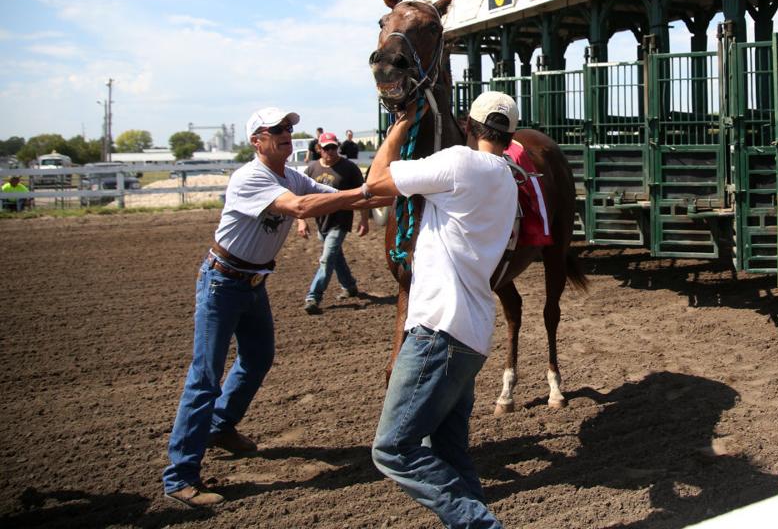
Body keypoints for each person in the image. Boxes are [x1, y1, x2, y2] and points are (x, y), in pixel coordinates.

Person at [162, 108, 390, 510]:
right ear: (257, 141)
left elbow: (325, 196)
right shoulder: (251, 177)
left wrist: (387, 189)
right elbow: (302, 208)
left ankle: (220, 426)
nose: (287, 134)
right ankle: (179, 477)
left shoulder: (289, 175)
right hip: (223, 282)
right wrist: (369, 195)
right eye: (277, 130)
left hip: (250, 281)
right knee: (204, 378)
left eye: (289, 128)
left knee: (258, 358)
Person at [363, 91, 519, 529]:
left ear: (468, 128)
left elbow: (376, 186)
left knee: (392, 450)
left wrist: (399, 127)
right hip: (472, 337)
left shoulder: (458, 161)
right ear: (510, 137)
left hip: (438, 330)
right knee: (450, 452)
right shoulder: (508, 178)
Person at [298, 131, 367, 313]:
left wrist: (364, 219)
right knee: (336, 257)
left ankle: (313, 297)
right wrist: (301, 221)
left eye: (333, 147)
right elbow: (301, 197)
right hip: (321, 221)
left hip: (341, 221)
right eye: (326, 148)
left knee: (327, 259)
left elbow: (362, 195)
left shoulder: (349, 168)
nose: (330, 151)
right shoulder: (311, 169)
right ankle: (350, 286)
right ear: (319, 149)